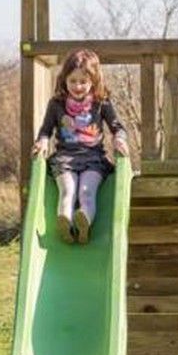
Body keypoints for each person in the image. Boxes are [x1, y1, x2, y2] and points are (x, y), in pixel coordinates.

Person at [31, 48, 129, 244]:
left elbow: (117, 126)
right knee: (67, 190)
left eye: (83, 82)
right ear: (64, 80)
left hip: (93, 159)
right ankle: (65, 221)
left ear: (93, 81)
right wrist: (42, 141)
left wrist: (119, 138)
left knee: (86, 192)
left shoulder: (101, 103)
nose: (77, 86)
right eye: (72, 81)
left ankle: (84, 221)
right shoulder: (57, 104)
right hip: (65, 158)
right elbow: (46, 130)